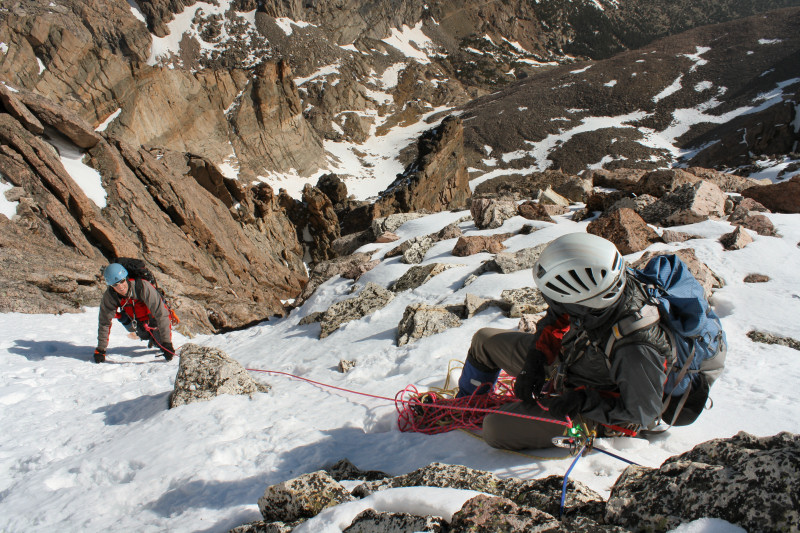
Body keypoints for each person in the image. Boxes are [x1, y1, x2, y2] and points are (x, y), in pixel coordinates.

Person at [456, 233, 673, 450]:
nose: (553, 303)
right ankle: (465, 406)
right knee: (484, 341)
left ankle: (594, 427)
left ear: (584, 303)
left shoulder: (637, 349)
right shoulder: (597, 295)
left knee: (495, 428)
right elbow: (556, 318)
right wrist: (536, 359)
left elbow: (643, 412)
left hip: (603, 414)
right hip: (573, 365)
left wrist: (583, 401)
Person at [94, 263, 175, 363]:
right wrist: (101, 350)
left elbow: (161, 314)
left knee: (160, 343)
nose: (120, 287)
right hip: (136, 320)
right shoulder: (110, 296)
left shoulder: (142, 287)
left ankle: (155, 339)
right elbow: (104, 322)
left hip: (153, 318)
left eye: (122, 281)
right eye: (115, 284)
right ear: (111, 286)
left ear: (126, 278)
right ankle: (146, 334)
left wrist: (167, 343)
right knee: (143, 335)